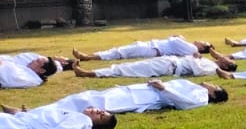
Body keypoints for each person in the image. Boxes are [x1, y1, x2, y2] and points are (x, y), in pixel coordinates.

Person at [46, 78, 226, 115]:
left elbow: (186, 103)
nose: (210, 83)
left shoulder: (201, 95)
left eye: (214, 85)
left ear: (214, 93)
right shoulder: (195, 87)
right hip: (143, 90)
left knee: (96, 102)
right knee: (91, 96)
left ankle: (57, 111)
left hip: (148, 96)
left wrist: (164, 89)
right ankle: (53, 108)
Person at [75, 53, 234, 78]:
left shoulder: (213, 68)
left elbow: (198, 71)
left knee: (128, 69)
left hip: (169, 67)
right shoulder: (210, 61)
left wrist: (194, 59)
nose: (224, 58)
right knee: (132, 65)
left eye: (227, 61)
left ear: (226, 67)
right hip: (168, 60)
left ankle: (89, 73)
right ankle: (93, 72)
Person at [73, 34, 213, 62]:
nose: (200, 41)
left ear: (202, 48)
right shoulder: (190, 49)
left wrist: (179, 37)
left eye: (203, 42)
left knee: (120, 52)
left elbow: (174, 40)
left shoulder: (191, 48)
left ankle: (87, 57)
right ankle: (89, 56)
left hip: (153, 49)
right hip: (152, 46)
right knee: (119, 50)